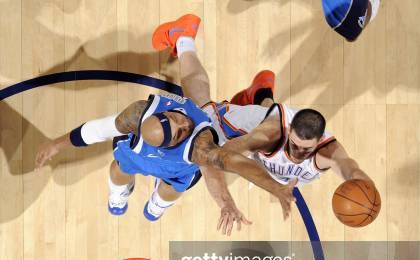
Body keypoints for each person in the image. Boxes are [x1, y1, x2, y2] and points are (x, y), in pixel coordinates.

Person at [152, 14, 374, 225]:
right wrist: (226, 202)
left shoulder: (329, 153)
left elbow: (352, 171)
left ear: (319, 143)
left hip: (271, 135)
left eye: (306, 150)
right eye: (295, 145)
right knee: (201, 115)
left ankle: (261, 94)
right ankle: (183, 36)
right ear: (289, 131)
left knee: (263, 137)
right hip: (253, 127)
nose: (298, 153)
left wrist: (368, 193)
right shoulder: (269, 134)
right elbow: (215, 157)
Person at [35, 60, 296, 228]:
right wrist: (56, 145)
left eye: (178, 121)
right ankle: (120, 195)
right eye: (179, 130)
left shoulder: (196, 143)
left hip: (176, 169)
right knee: (118, 170)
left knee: (169, 193)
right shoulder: (135, 117)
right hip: (140, 155)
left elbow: (233, 163)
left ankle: (157, 205)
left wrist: (273, 187)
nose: (185, 124)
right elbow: (97, 131)